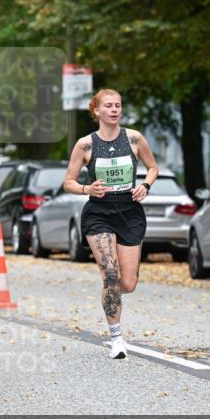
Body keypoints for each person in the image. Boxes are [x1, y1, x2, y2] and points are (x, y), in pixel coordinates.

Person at [63, 88, 158, 359]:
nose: (114, 109)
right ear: (97, 111)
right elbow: (68, 181)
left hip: (129, 212)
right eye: (109, 106)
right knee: (111, 275)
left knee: (127, 283)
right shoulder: (85, 145)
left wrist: (146, 185)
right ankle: (117, 338)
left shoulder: (135, 138)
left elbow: (153, 167)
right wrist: (86, 189)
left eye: (118, 105)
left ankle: (111, 293)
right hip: (99, 214)